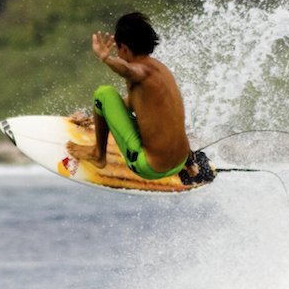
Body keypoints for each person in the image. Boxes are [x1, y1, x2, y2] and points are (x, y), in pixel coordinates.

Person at [67, 12, 212, 184]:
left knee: (103, 93)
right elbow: (125, 106)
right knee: (162, 114)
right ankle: (189, 164)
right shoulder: (162, 72)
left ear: (124, 48)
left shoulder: (139, 72)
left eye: (117, 50)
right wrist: (93, 120)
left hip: (150, 168)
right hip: (180, 161)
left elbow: (128, 70)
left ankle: (98, 155)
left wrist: (107, 59)